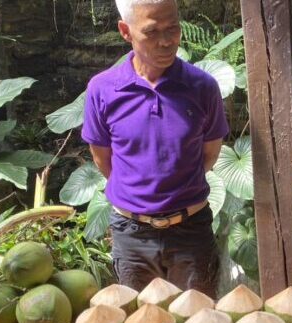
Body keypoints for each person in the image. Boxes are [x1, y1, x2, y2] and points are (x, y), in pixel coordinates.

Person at [82, 0, 227, 301]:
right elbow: (102, 159)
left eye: (172, 28)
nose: (166, 41)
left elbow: (209, 154)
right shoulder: (103, 90)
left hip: (191, 231)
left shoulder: (203, 87)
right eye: (151, 32)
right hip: (131, 235)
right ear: (126, 31)